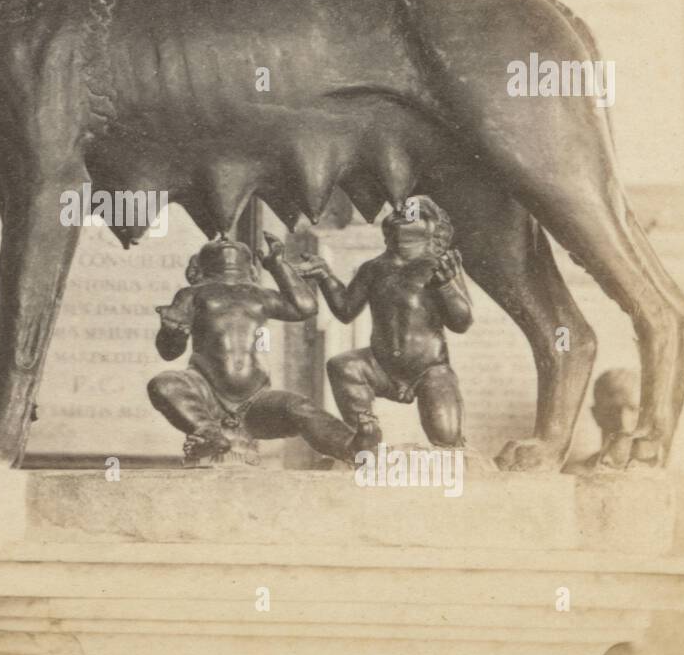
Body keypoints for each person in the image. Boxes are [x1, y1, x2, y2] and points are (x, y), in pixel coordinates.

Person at [148, 233, 376, 464]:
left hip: (256, 401)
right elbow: (169, 352)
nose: (226, 244)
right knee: (164, 384)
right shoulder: (192, 294)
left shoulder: (260, 295)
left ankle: (351, 446)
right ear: (199, 265)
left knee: (299, 408)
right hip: (205, 393)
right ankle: (207, 431)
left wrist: (278, 266)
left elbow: (306, 308)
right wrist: (171, 331)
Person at [293, 196, 472, 449]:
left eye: (413, 214)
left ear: (432, 227)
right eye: (400, 212)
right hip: (380, 365)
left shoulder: (437, 267)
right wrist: (325, 275)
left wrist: (446, 286)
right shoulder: (374, 269)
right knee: (343, 366)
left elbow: (462, 323)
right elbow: (345, 310)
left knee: (446, 438)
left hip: (429, 368)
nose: (403, 215)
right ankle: (365, 439)